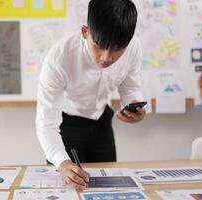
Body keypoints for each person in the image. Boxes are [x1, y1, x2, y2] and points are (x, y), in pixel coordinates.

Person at [35, 0, 146, 192]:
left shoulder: (133, 48)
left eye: (117, 49)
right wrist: (62, 164)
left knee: (108, 188)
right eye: (99, 46)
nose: (106, 58)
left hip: (102, 122)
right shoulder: (59, 58)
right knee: (65, 189)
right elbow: (45, 123)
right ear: (85, 31)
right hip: (66, 125)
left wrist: (134, 105)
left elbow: (130, 87)